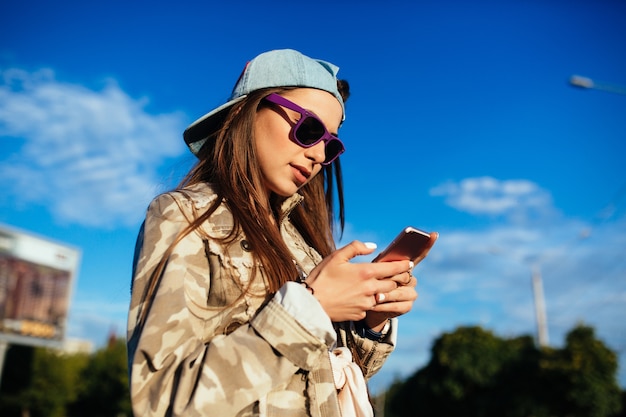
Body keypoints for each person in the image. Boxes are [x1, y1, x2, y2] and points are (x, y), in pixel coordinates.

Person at [127, 49, 437, 417]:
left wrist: (372, 320)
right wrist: (309, 309)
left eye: (331, 144)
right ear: (246, 110)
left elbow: (319, 378)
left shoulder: (304, 246)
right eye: (309, 129)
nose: (320, 155)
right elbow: (159, 402)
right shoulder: (185, 215)